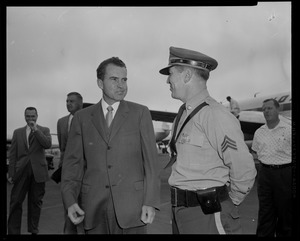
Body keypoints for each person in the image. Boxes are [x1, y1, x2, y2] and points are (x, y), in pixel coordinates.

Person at [159, 46, 257, 234]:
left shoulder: (215, 115)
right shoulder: (186, 113)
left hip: (208, 214)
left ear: (187, 76)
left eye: (170, 74)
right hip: (182, 212)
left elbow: (243, 168)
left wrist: (228, 203)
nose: (167, 80)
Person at [61, 57, 160, 234]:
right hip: (93, 209)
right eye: (114, 79)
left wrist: (150, 202)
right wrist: (70, 201)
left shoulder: (140, 113)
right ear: (100, 82)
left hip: (133, 210)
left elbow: (151, 164)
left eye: (124, 79)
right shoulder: (82, 118)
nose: (121, 85)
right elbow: (72, 165)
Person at [7, 107, 52, 234]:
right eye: (28, 116)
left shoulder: (44, 130)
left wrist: (35, 130)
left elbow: (47, 144)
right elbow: (13, 154)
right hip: (21, 172)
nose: (30, 119)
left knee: (35, 203)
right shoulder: (17, 132)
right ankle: (13, 231)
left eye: (33, 116)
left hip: (38, 172)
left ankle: (33, 230)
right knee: (15, 202)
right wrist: (11, 173)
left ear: (37, 116)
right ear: (24, 116)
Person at [251, 98, 292, 237]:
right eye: (264, 109)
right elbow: (256, 151)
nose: (266, 111)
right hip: (265, 175)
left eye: (269, 108)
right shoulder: (259, 132)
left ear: (277, 109)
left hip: (285, 174)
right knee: (265, 212)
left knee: (285, 212)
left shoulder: (288, 130)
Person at [56, 92, 83, 234]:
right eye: (66, 101)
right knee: (68, 205)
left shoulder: (88, 119)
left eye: (71, 101)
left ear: (80, 103)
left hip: (85, 171)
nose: (68, 103)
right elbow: (63, 148)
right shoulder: (61, 122)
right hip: (67, 171)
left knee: (85, 206)